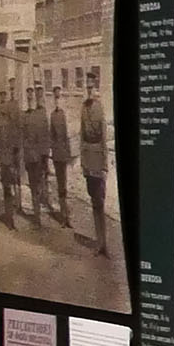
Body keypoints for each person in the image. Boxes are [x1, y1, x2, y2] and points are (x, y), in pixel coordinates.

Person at [80, 78, 109, 257]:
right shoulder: (83, 108)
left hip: (98, 156)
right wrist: (83, 162)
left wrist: (105, 165)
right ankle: (99, 243)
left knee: (100, 201)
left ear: (96, 89)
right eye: (87, 88)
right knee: (93, 200)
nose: (89, 91)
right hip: (89, 158)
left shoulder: (100, 107)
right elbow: (82, 135)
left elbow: (104, 137)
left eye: (92, 88)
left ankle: (103, 243)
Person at [22, 86, 52, 223]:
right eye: (28, 98)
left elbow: (45, 135)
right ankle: (36, 215)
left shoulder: (40, 115)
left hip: (38, 156)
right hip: (29, 156)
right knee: (33, 184)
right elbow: (22, 136)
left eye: (31, 98)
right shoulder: (25, 116)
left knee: (38, 183)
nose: (30, 100)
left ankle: (39, 210)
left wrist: (45, 155)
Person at [0, 82, 21, 228]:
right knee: (6, 188)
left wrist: (15, 157)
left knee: (12, 186)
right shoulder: (1, 126)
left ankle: (12, 212)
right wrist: (0, 161)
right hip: (5, 162)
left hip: (11, 160)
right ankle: (9, 217)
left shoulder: (12, 128)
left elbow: (15, 145)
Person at [49, 87, 72, 225]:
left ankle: (67, 215)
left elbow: (69, 135)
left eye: (59, 98)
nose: (57, 101)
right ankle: (64, 216)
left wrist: (69, 155)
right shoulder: (52, 115)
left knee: (65, 185)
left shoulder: (66, 114)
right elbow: (51, 135)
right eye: (55, 98)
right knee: (60, 184)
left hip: (65, 154)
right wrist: (52, 151)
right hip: (57, 154)